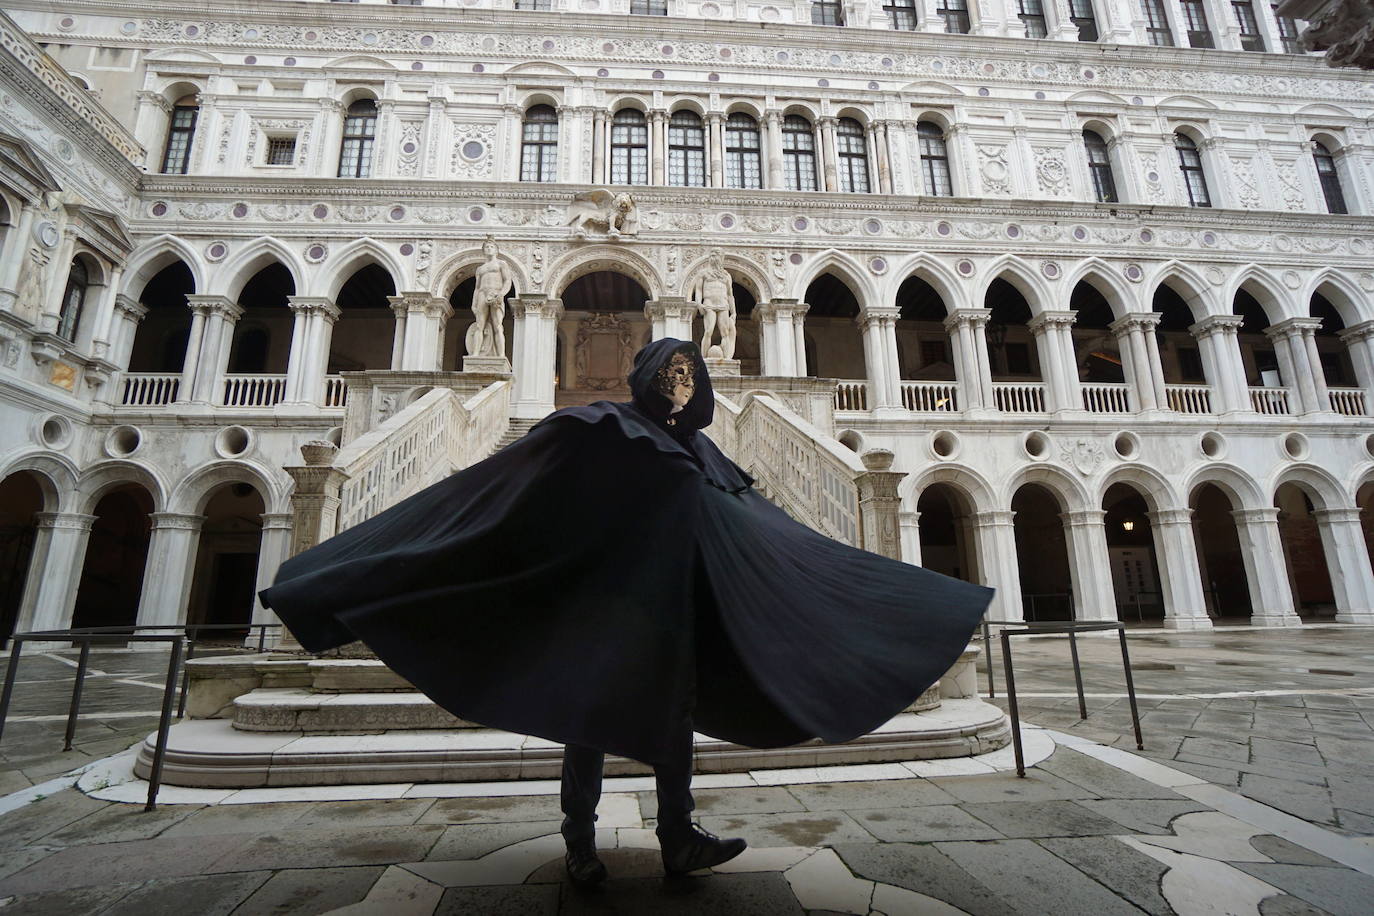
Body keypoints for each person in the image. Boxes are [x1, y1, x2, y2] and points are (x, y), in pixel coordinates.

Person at [259, 338, 991, 885]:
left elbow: (754, 528)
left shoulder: (706, 452)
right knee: (589, 721)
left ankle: (679, 837)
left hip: (678, 606)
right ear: (645, 380)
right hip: (606, 601)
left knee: (671, 721)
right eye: (669, 376)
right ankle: (580, 844)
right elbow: (515, 488)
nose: (679, 387)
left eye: (688, 377)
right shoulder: (601, 427)